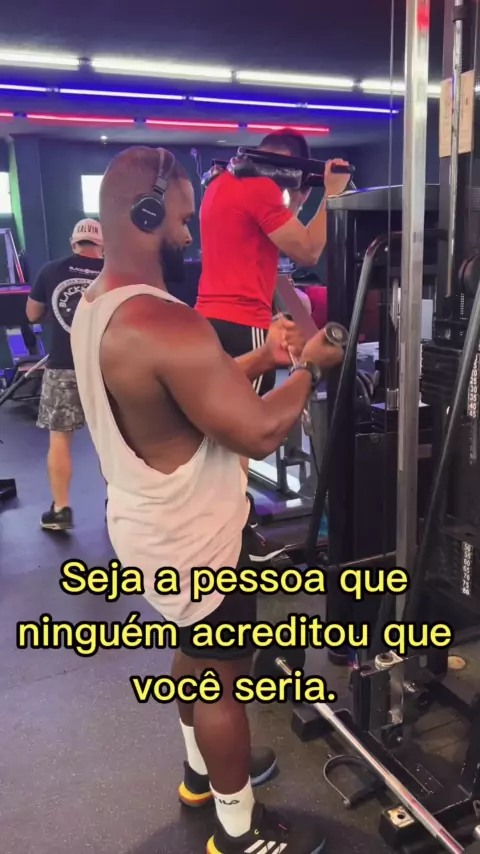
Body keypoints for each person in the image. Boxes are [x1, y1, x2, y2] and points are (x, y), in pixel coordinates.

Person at [71, 146, 344, 854]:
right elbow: (258, 431)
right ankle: (239, 828)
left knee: (194, 652)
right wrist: (311, 368)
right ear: (146, 213)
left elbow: (178, 393)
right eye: (181, 219)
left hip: (147, 525)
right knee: (224, 680)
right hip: (197, 538)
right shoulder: (166, 321)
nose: (189, 234)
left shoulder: (100, 305)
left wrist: (261, 359)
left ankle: (201, 773)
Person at [196, 129, 352, 563]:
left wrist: (298, 200)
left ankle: (217, 527)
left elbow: (268, 234)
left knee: (214, 430)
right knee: (242, 435)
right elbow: (309, 251)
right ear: (287, 164)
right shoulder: (260, 187)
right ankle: (236, 538)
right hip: (242, 322)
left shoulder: (223, 182)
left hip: (207, 321)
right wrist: (333, 195)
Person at [26, 218, 104, 530]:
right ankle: (118, 505)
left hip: (62, 367)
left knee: (60, 439)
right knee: (111, 440)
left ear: (74, 244)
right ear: (102, 245)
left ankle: (61, 510)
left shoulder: (51, 270)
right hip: (106, 368)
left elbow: (33, 314)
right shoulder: (112, 273)